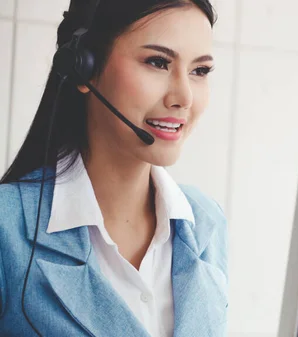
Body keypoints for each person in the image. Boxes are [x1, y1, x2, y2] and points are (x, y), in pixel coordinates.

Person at [0, 0, 228, 336]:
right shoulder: (7, 227)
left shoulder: (206, 221)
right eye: (158, 62)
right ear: (84, 68)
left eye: (200, 71)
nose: (184, 97)